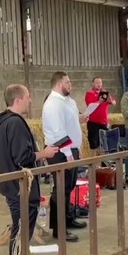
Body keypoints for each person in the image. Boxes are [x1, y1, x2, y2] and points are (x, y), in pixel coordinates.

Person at [0, 84, 59, 255]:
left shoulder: (6, 121)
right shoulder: (15, 123)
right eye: (28, 97)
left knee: (21, 231)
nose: (31, 100)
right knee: (21, 232)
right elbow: (22, 157)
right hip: (20, 188)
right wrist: (44, 154)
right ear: (18, 100)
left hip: (15, 186)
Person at [42, 71, 87, 243]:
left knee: (69, 187)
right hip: (60, 151)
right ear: (60, 84)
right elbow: (58, 131)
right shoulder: (53, 103)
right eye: (68, 82)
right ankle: (59, 228)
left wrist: (77, 147)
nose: (71, 85)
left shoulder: (68, 101)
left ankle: (68, 218)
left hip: (70, 148)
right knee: (60, 189)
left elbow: (70, 122)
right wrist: (69, 154)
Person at [84, 77, 116, 152]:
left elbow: (114, 102)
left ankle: (104, 162)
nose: (99, 84)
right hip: (93, 123)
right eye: (97, 83)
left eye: (100, 83)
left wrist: (111, 101)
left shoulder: (104, 92)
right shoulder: (89, 93)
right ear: (93, 84)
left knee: (105, 144)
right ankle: (95, 162)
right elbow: (90, 106)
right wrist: (99, 101)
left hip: (104, 122)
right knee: (94, 145)